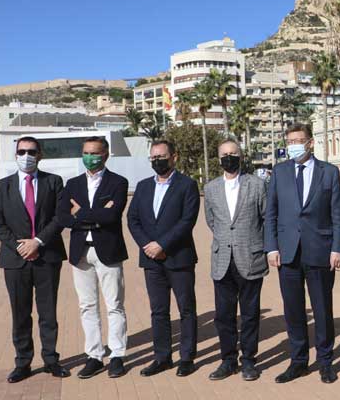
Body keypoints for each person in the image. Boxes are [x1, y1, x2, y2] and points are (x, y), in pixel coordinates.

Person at [264, 124, 340, 384]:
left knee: (322, 309)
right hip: (287, 253)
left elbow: (337, 214)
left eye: (299, 140)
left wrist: (337, 248)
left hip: (320, 251)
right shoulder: (279, 172)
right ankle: (298, 362)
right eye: (290, 141)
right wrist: (271, 247)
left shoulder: (329, 172)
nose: (294, 145)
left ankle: (325, 362)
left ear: (310, 143)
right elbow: (271, 213)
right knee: (294, 311)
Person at [0, 136, 69, 383]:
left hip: (47, 256)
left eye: (31, 151)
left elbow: (60, 217)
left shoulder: (53, 182)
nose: (26, 156)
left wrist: (38, 242)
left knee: (48, 312)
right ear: (16, 154)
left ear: (40, 154)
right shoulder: (3, 186)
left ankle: (51, 360)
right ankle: (23, 362)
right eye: (21, 151)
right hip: (15, 260)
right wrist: (19, 246)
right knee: (20, 313)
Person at [56, 136, 129, 379]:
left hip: (107, 250)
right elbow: (63, 217)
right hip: (80, 252)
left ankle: (117, 354)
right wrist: (95, 214)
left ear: (105, 155)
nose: (90, 157)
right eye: (86, 152)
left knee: (114, 305)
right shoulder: (72, 184)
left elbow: (113, 215)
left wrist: (81, 214)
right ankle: (94, 355)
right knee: (87, 305)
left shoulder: (118, 182)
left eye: (95, 153)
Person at [126, 140, 200, 377]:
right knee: (158, 311)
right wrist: (148, 246)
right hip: (151, 260)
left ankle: (187, 357)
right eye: (153, 157)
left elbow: (187, 221)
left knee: (186, 309)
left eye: (162, 156)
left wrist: (163, 245)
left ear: (174, 157)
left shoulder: (187, 185)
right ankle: (162, 357)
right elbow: (133, 219)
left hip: (179, 257)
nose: (157, 161)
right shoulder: (143, 186)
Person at [204, 140, 268, 381]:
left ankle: (249, 361)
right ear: (218, 158)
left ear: (241, 156)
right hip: (222, 260)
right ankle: (228, 360)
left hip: (250, 258)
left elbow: (265, 218)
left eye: (233, 153)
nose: (228, 157)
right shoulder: (211, 189)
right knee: (224, 315)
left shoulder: (257, 184)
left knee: (250, 314)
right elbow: (213, 221)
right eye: (224, 154)